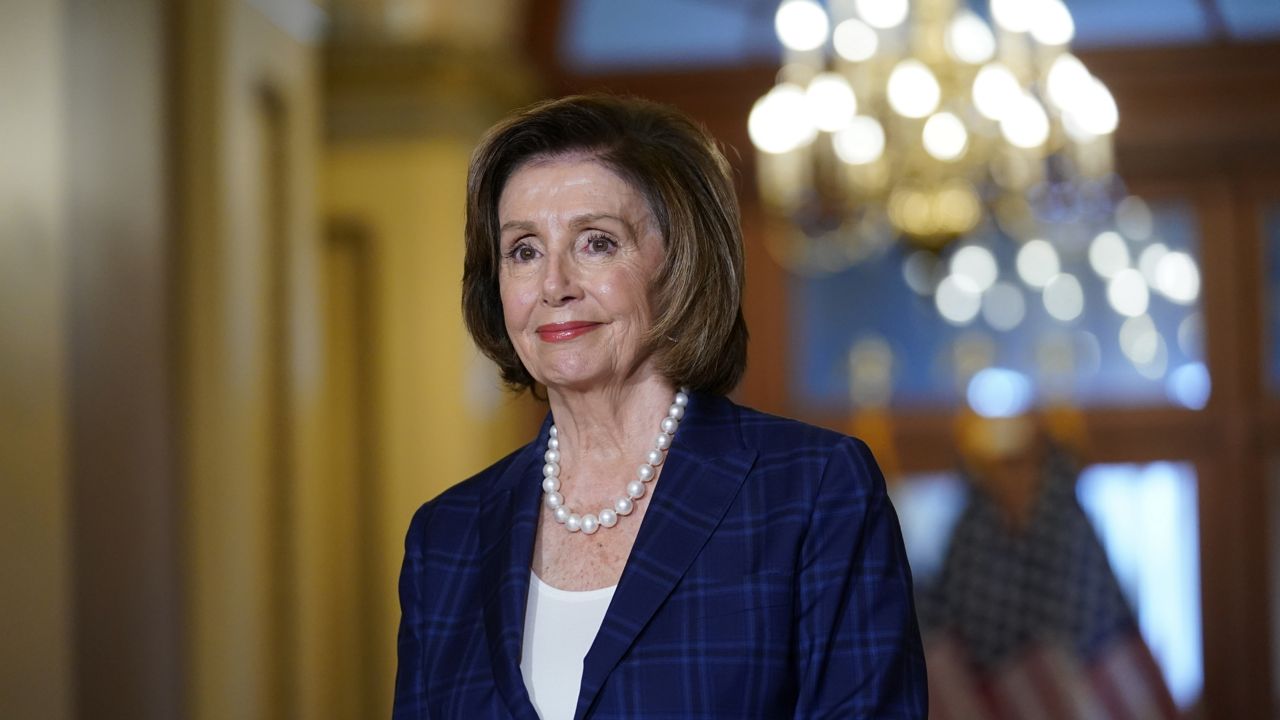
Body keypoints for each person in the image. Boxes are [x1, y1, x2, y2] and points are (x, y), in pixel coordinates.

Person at [392, 94, 927, 719]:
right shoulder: (446, 535)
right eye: (524, 251)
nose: (554, 285)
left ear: (679, 264)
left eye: (596, 243)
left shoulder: (811, 491)